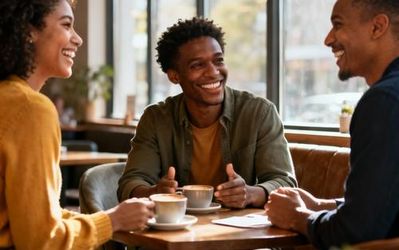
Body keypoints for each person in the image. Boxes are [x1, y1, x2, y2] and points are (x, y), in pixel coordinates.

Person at [0, 0, 154, 249]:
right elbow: (40, 240)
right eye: (66, 25)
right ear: (29, 30)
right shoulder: (30, 108)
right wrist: (112, 221)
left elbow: (32, 218)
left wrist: (106, 218)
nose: (78, 39)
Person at [117, 17, 296, 209]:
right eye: (197, 65)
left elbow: (285, 183)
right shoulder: (155, 119)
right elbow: (130, 184)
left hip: (240, 229)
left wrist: (251, 194)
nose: (213, 72)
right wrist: (154, 193)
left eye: (218, 60)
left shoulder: (259, 113)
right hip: (175, 228)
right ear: (174, 76)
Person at [265, 0, 399, 249]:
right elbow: (386, 204)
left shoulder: (385, 101)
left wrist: (297, 217)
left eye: (337, 24)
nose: (328, 39)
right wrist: (320, 206)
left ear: (377, 27)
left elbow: (356, 233)